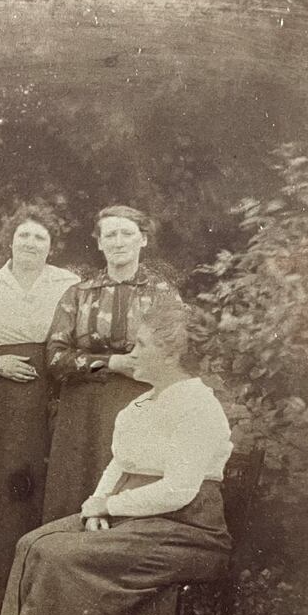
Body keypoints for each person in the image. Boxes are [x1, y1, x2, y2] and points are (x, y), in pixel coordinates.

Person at [0, 297, 233, 615]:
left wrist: (111, 506)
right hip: (135, 515)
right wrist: (95, 508)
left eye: (141, 345)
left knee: (60, 556)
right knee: (33, 542)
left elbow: (178, 490)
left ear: (171, 354)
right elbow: (119, 463)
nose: (130, 354)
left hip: (188, 531)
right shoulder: (142, 403)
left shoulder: (199, 407)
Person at [0, 204, 80, 615]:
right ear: (9, 240)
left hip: (49, 393)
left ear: (51, 246)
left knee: (38, 488)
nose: (30, 244)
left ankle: (35, 603)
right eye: (24, 236)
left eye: (39, 238)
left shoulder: (69, 284)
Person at [41, 205, 181, 523]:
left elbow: (176, 356)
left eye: (127, 233)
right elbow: (54, 357)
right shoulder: (78, 294)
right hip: (82, 411)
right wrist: (111, 362)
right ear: (100, 243)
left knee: (129, 490)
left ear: (143, 240)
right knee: (75, 494)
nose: (118, 242)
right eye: (110, 235)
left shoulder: (163, 295)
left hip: (140, 404)